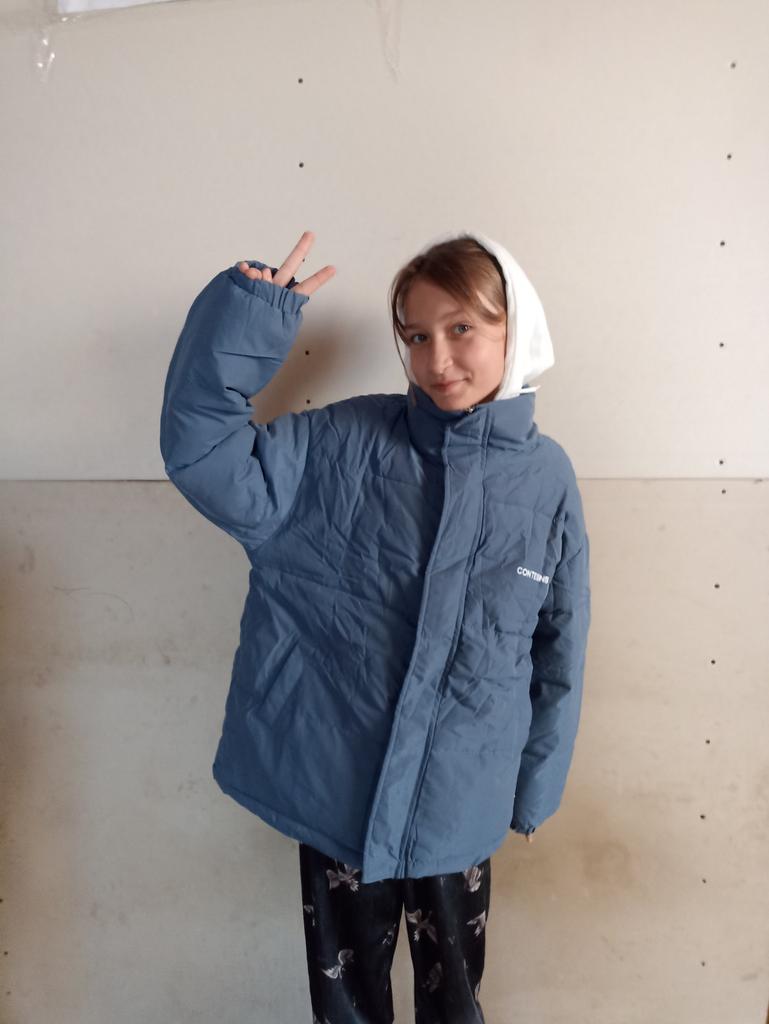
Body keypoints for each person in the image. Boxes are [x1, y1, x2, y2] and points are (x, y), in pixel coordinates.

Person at [159, 229, 591, 1023]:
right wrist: (246, 320)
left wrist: (534, 785)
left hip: (462, 800)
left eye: (462, 328)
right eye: (416, 336)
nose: (437, 359)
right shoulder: (340, 440)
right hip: (337, 795)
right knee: (345, 1007)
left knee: (454, 1002)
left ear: (515, 329)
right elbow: (205, 456)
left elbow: (559, 643)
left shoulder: (546, 478)